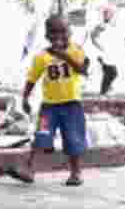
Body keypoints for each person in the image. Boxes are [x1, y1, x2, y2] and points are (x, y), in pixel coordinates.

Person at [6, 15, 90, 187]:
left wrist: (66, 57)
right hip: (49, 107)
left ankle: (76, 173)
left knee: (73, 139)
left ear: (70, 32)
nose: (59, 35)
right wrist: (25, 98)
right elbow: (32, 79)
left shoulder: (76, 50)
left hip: (71, 105)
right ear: (47, 36)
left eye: (63, 31)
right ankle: (29, 169)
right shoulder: (42, 57)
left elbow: (83, 70)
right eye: (54, 32)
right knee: (41, 135)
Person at [90, 4, 120, 95]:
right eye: (108, 13)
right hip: (102, 54)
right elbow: (93, 37)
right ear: (104, 14)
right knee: (112, 72)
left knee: (109, 73)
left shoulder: (107, 25)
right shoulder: (101, 25)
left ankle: (106, 90)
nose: (110, 15)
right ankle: (104, 91)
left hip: (107, 53)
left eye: (111, 14)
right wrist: (99, 48)